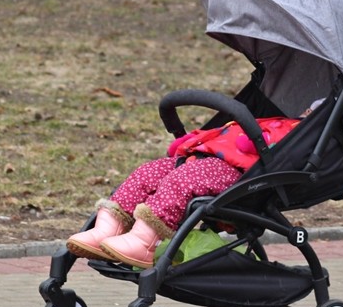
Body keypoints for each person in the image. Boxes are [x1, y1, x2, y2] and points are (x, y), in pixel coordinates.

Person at [66, 108, 313, 268]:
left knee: (180, 182)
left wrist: (257, 139)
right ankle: (107, 229)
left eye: (313, 110)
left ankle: (144, 242)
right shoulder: (278, 119)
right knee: (148, 172)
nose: (307, 110)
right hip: (204, 158)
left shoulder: (297, 135)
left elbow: (264, 146)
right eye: (308, 107)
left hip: (239, 175)